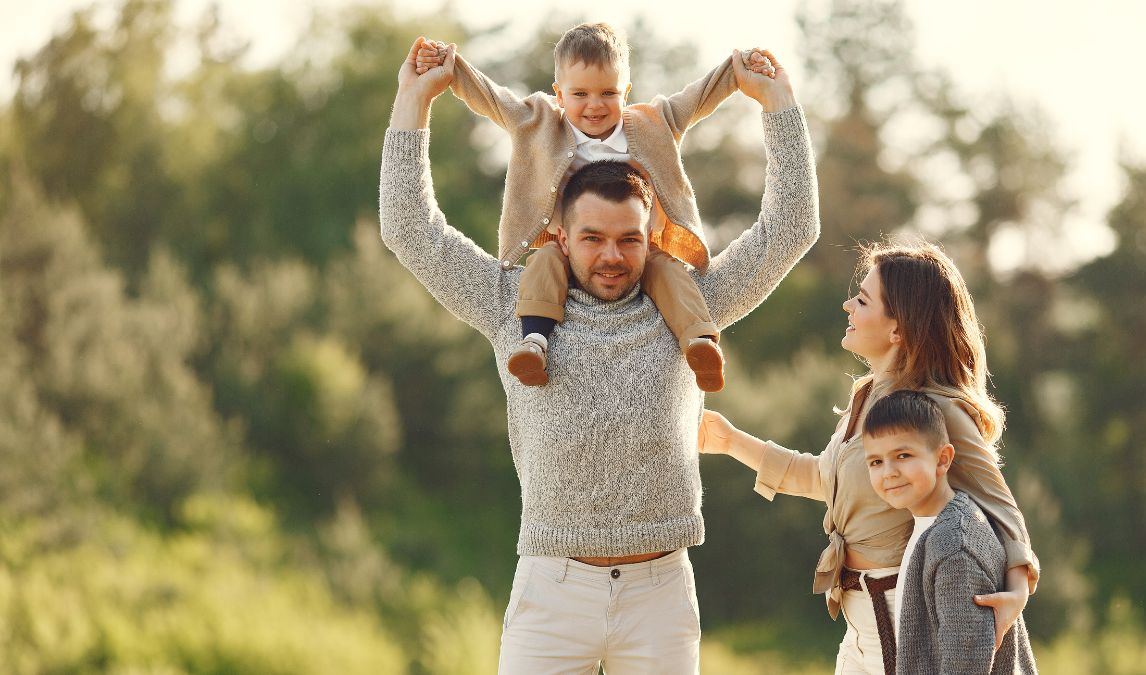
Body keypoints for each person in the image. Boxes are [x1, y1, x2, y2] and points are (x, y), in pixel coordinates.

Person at [385, 37, 817, 673]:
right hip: (551, 596)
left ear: (652, 237)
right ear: (560, 234)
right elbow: (410, 229)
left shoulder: (687, 303)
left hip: (660, 597)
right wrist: (412, 102)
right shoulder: (510, 302)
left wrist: (778, 105)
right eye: (592, 239)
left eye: (628, 240)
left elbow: (791, 228)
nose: (611, 256)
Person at [697, 241, 1039, 675]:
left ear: (898, 328)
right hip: (857, 619)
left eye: (861, 300)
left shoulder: (935, 407)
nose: (847, 306)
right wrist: (730, 441)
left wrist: (1017, 592)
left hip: (903, 616)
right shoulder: (865, 395)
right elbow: (827, 479)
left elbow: (1001, 507)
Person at [411, 24, 775, 391]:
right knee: (543, 264)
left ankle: (698, 342)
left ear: (626, 92)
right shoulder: (538, 123)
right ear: (559, 94)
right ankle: (535, 343)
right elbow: (490, 98)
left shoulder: (651, 124)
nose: (595, 105)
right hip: (566, 244)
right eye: (580, 93)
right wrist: (450, 66)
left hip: (636, 248)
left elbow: (697, 97)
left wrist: (738, 68)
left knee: (667, 270)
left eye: (608, 93)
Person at [863, 389, 1038, 674]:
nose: (888, 472)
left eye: (903, 455)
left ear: (943, 459)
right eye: (876, 461)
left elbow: (964, 665)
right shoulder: (931, 528)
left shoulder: (955, 545)